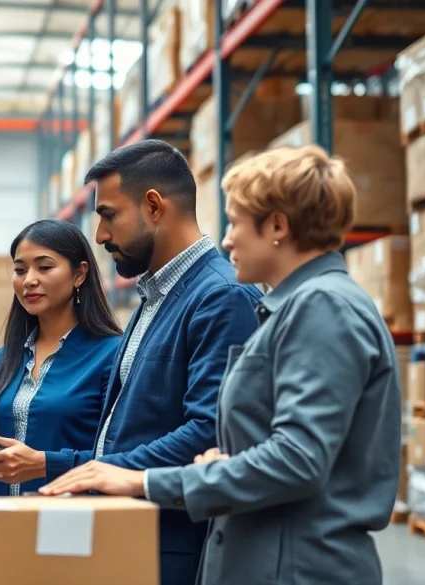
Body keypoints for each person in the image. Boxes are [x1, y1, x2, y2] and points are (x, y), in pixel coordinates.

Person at [41, 145, 402, 585]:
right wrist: (224, 459)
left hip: (297, 566)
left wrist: (149, 481)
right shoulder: (292, 309)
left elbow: (298, 458)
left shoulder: (322, 307)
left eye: (235, 223)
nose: (226, 240)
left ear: (277, 226)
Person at [0, 140, 263, 585]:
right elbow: (121, 434)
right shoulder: (153, 302)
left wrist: (108, 472)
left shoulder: (221, 297)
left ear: (153, 206)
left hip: (174, 543)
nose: (101, 235)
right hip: (130, 532)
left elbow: (212, 427)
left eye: (108, 215)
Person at [0, 219, 123, 497]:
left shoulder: (112, 354)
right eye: (19, 270)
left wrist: (45, 464)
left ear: (79, 274)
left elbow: (122, 458)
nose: (29, 280)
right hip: (0, 524)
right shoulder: (2, 361)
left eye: (45, 267)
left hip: (69, 521)